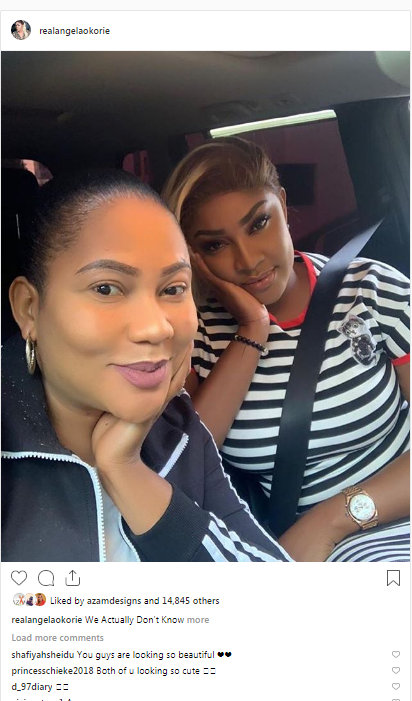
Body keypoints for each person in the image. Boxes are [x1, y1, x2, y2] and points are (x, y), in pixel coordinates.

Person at [1, 169, 291, 563]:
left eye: (173, 289)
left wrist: (127, 470)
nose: (157, 328)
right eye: (107, 288)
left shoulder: (179, 428)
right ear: (29, 309)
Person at [163, 136, 410, 562]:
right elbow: (191, 461)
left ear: (281, 202)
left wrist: (331, 520)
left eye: (258, 223)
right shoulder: (193, 336)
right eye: (215, 245)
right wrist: (253, 328)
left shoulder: (369, 288)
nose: (248, 260)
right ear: (192, 255)